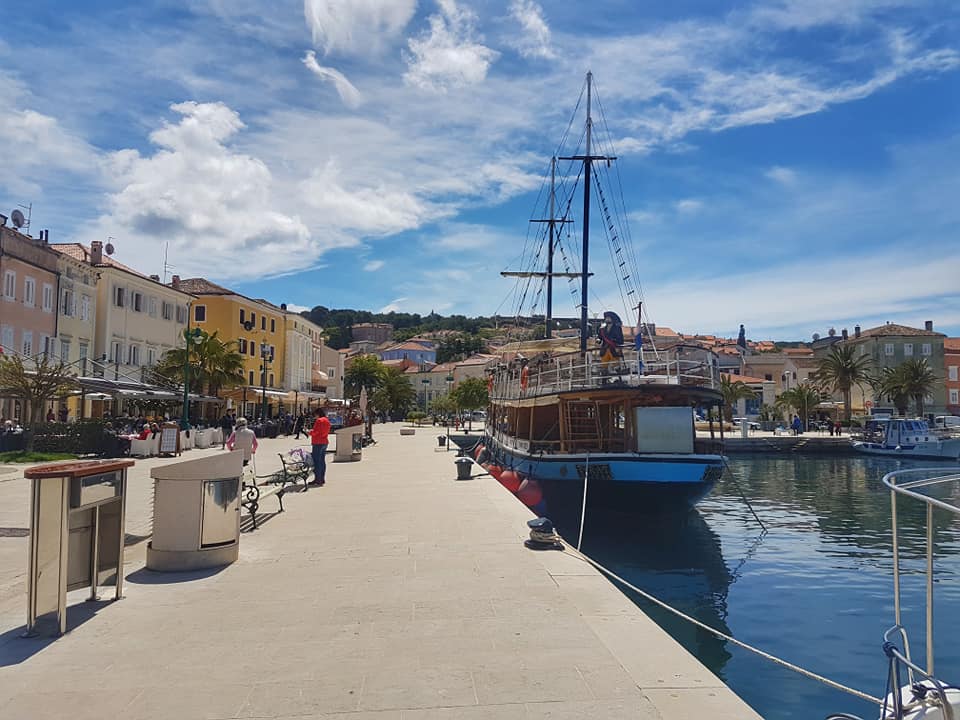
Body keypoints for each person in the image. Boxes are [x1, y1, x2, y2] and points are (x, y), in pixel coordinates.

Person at [308, 407, 331, 486]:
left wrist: (309, 432)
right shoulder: (327, 420)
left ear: (317, 414)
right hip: (324, 441)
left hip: (318, 442)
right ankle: (322, 478)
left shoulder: (319, 420)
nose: (315, 417)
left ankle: (317, 479)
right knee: (322, 461)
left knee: (317, 462)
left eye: (315, 415)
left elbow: (316, 432)